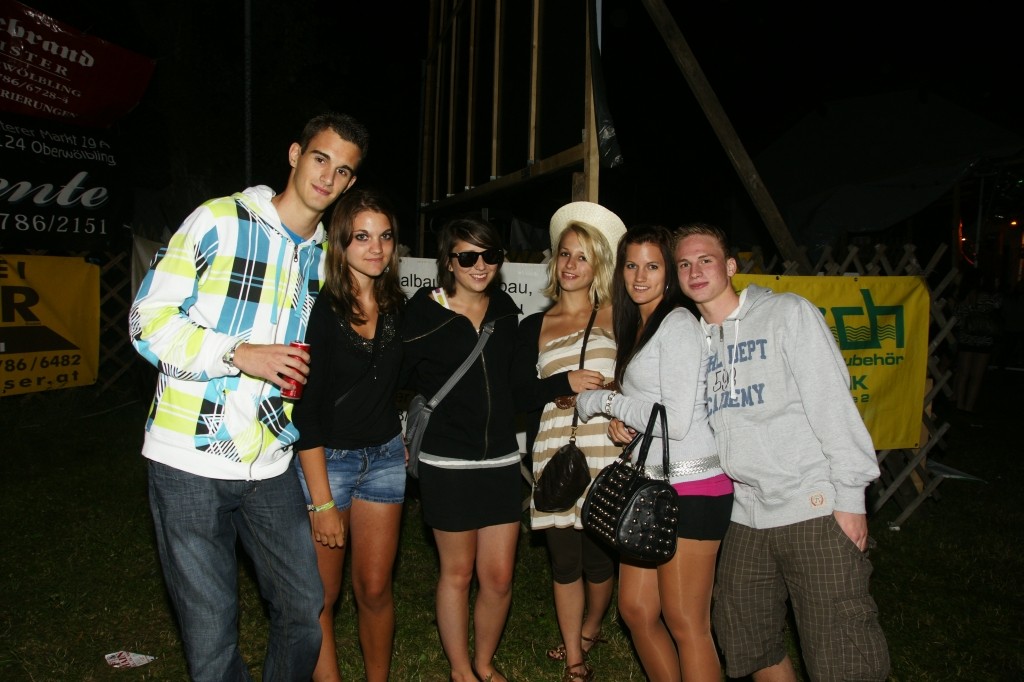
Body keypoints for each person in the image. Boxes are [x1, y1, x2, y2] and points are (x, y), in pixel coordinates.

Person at [129, 111, 369, 681]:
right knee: (212, 637)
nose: (328, 177)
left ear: (350, 183)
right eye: (320, 159)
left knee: (305, 612)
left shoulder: (322, 258)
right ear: (295, 155)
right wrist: (238, 352)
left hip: (270, 462)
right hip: (189, 456)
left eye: (342, 170)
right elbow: (147, 320)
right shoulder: (220, 221)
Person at [673, 222, 890, 681]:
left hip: (812, 505)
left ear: (731, 266)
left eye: (706, 260)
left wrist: (851, 500)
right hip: (745, 516)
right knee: (746, 639)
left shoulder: (786, 314)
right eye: (684, 264)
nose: (695, 271)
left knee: (840, 650)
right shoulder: (694, 342)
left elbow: (833, 404)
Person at [575, 224, 733, 682]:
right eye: (631, 265)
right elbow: (653, 408)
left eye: (653, 266)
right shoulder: (642, 324)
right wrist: (627, 424)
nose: (640, 276)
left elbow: (676, 421)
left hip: (694, 486)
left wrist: (604, 402)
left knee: (686, 621)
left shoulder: (677, 323)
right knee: (637, 609)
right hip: (654, 485)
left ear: (669, 274)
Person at [291, 188, 406, 682]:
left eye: (385, 236)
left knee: (376, 589)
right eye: (362, 237)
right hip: (328, 463)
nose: (376, 248)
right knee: (322, 595)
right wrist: (321, 503)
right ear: (340, 242)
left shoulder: (398, 307)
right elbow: (305, 411)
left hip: (385, 459)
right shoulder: (320, 310)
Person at [399, 215, 522, 682]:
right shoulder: (422, 313)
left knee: (499, 577)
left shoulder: (505, 310)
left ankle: (484, 663)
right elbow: (393, 377)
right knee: (457, 573)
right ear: (448, 262)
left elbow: (515, 384)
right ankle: (460, 670)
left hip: (502, 459)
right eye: (467, 257)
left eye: (490, 255)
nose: (480, 265)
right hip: (446, 461)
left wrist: (566, 385)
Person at [515, 202, 624, 682]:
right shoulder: (533, 326)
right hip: (556, 447)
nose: (571, 264)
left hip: (608, 445)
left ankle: (592, 626)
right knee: (564, 560)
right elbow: (519, 393)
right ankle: (575, 658)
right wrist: (563, 383)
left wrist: (619, 400)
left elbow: (642, 378)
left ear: (598, 265)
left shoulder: (620, 317)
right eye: (565, 254)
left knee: (599, 560)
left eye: (583, 256)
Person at [952, 266, 1002, 412]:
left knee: (963, 373)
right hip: (984, 340)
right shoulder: (986, 297)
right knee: (977, 377)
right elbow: (993, 311)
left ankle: (960, 404)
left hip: (966, 339)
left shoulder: (962, 298)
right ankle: (969, 406)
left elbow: (957, 318)